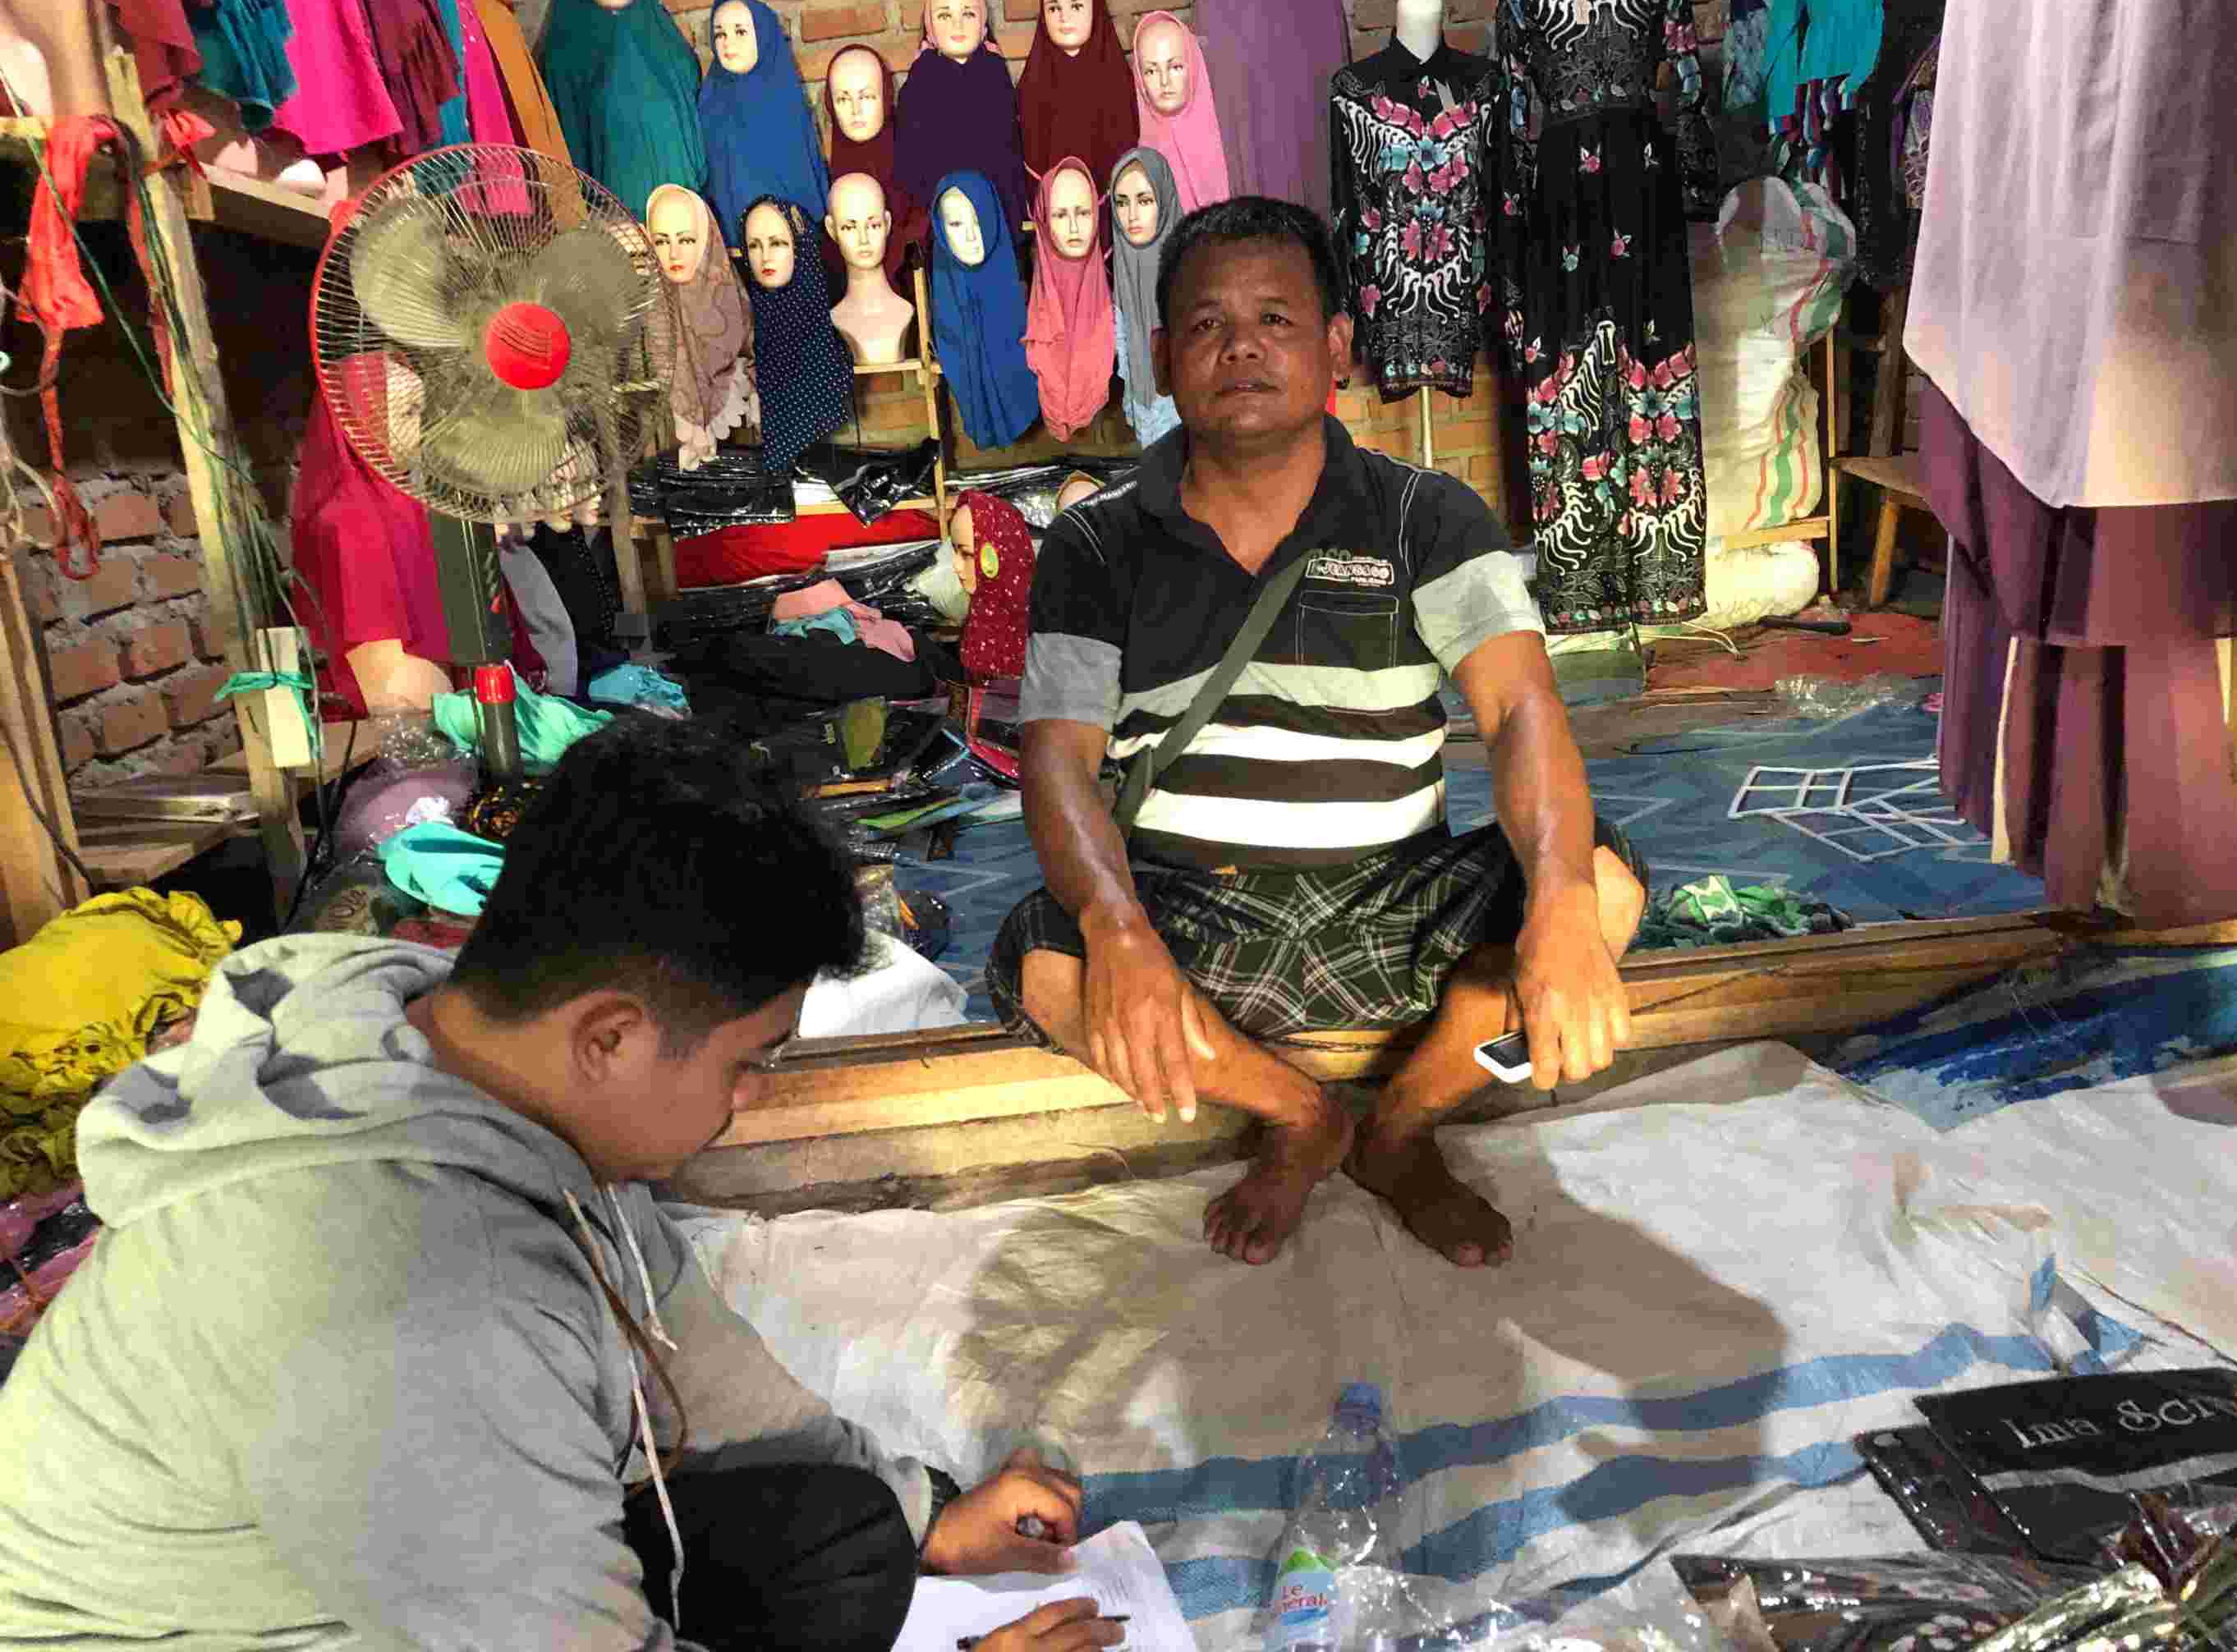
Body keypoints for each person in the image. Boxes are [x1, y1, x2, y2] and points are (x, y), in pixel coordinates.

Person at [0, 721, 1123, 1652]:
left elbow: (701, 1361)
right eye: (750, 1061)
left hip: (354, 1551)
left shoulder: (468, 1055)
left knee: (845, 1535)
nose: (746, 1102)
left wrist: (926, 1512)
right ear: (610, 1037)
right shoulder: (416, 1303)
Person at [989, 197, 1648, 1272]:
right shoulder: (1094, 544)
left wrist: (1562, 901)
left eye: (1276, 319)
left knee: (1605, 885)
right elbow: (1057, 757)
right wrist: (1116, 926)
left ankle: (1400, 1127)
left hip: (1399, 908)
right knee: (1048, 967)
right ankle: (1303, 1115)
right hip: (1192, 915)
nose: (1241, 346)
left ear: (1337, 347)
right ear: (1160, 357)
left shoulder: (1429, 518)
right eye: (1207, 324)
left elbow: (1521, 709)